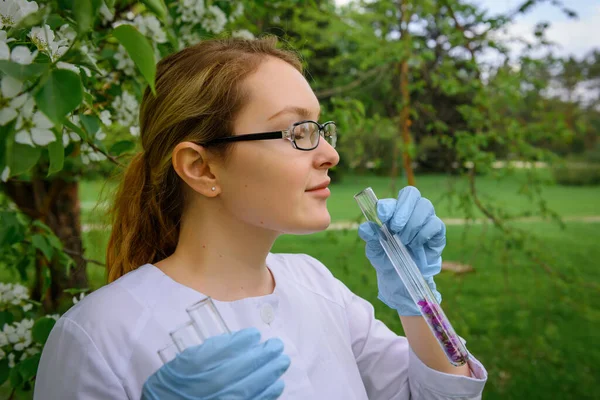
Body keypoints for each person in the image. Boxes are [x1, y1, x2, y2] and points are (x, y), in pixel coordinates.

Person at [34, 36, 487, 399]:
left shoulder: (317, 284)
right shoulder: (97, 334)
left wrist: (419, 300)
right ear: (201, 167)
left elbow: (439, 394)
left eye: (322, 129)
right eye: (298, 132)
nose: (331, 154)